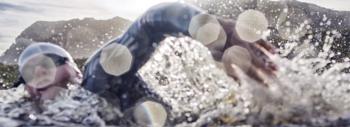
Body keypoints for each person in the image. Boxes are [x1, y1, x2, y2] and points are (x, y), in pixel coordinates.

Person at [18, 2, 276, 111]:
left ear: (76, 72)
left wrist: (215, 32)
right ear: (27, 90)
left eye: (50, 65)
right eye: (30, 73)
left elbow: (153, 20)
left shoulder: (97, 78)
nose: (40, 74)